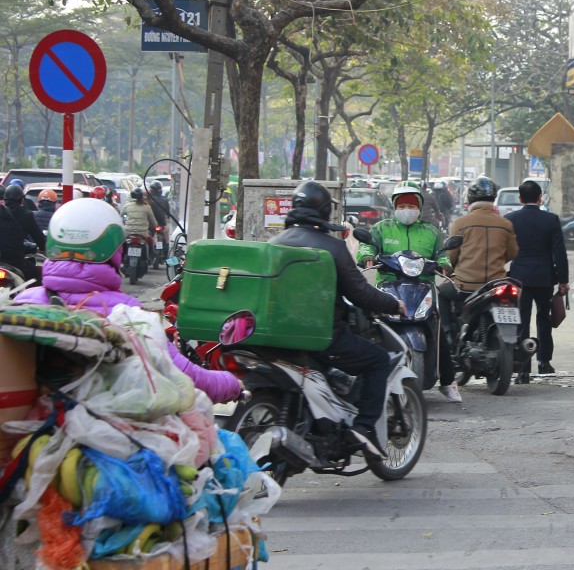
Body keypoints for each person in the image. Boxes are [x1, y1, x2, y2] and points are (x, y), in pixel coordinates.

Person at [14, 198, 241, 403]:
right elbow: (183, 376)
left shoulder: (24, 303)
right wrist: (231, 384)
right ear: (116, 252)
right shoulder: (128, 315)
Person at [270, 181, 405, 456]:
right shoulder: (332, 247)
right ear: (323, 210)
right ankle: (364, 429)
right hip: (323, 339)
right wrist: (394, 304)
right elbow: (361, 294)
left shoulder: (274, 244)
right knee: (378, 360)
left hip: (276, 335)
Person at [355, 182, 461, 403]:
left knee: (437, 328)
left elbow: (442, 253)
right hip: (389, 286)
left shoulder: (431, 231)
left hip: (422, 287)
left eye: (411, 205)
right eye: (402, 205)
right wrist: (366, 255)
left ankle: (449, 382)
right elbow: (368, 246)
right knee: (367, 326)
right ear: (394, 206)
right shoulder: (382, 229)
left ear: (420, 207)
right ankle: (359, 378)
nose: (407, 209)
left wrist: (444, 264)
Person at [441, 176, 518, 345]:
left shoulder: (460, 223)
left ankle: (448, 335)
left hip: (466, 285)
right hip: (496, 284)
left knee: (441, 292)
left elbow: (452, 256)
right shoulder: (505, 224)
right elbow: (513, 253)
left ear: (470, 198)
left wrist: (449, 269)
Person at [506, 180, 569, 376]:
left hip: (519, 278)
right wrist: (563, 280)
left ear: (520, 198)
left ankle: (523, 370)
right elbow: (560, 253)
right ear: (540, 197)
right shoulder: (551, 220)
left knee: (522, 322)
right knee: (544, 319)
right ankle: (544, 362)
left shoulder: (510, 219)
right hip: (544, 278)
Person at [0, 184, 47, 285]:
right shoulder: (27, 216)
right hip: (17, 264)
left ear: (5, 199)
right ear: (21, 199)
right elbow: (41, 241)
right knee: (42, 274)